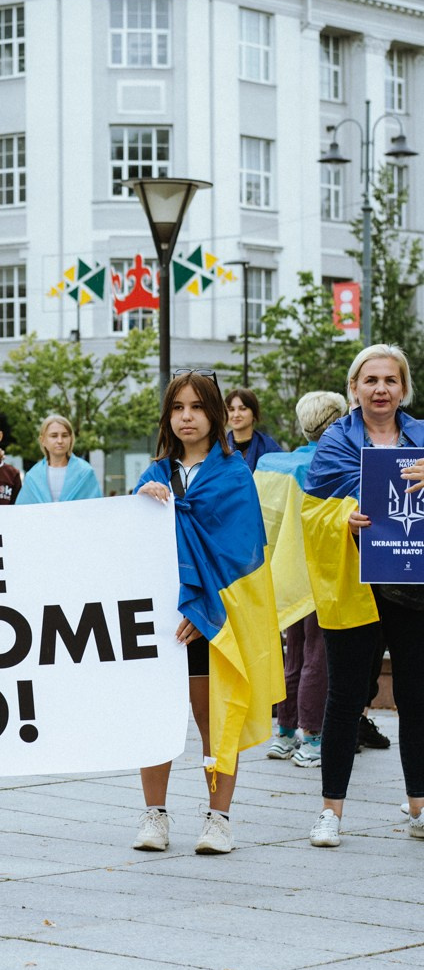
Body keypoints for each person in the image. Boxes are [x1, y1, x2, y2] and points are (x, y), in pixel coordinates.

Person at [133, 372, 283, 855]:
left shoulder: (235, 475)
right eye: (178, 408)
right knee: (155, 718)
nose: (187, 417)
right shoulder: (153, 475)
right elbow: (129, 547)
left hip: (214, 622)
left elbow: (244, 558)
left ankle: (219, 818)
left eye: (197, 407)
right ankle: (154, 815)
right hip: (160, 618)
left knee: (213, 719)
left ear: (215, 414)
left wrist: (207, 613)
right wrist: (141, 504)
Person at [301, 344, 424, 848]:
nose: (380, 389)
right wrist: (342, 518)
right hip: (352, 584)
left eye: (390, 380)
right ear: (353, 387)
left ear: (404, 388)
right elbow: (312, 511)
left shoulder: (423, 439)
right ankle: (330, 811)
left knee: (417, 697)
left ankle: (419, 806)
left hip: (412, 588)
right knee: (346, 697)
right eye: (370, 380)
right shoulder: (335, 441)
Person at [256, 391, 347, 768]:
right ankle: (312, 737)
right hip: (322, 575)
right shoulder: (337, 464)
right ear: (336, 422)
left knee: (293, 654)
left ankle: (284, 732)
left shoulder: (275, 464)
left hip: (284, 573)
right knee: (317, 657)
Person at [16, 414, 101, 503]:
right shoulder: (33, 476)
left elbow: (96, 506)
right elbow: (23, 508)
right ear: (43, 440)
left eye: (64, 435)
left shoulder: (85, 472)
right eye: (54, 436)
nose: (60, 441)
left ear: (71, 439)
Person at [226, 386, 281, 470]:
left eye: (243, 409)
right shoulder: (218, 447)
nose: (236, 415)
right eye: (231, 409)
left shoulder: (268, 447)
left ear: (254, 414)